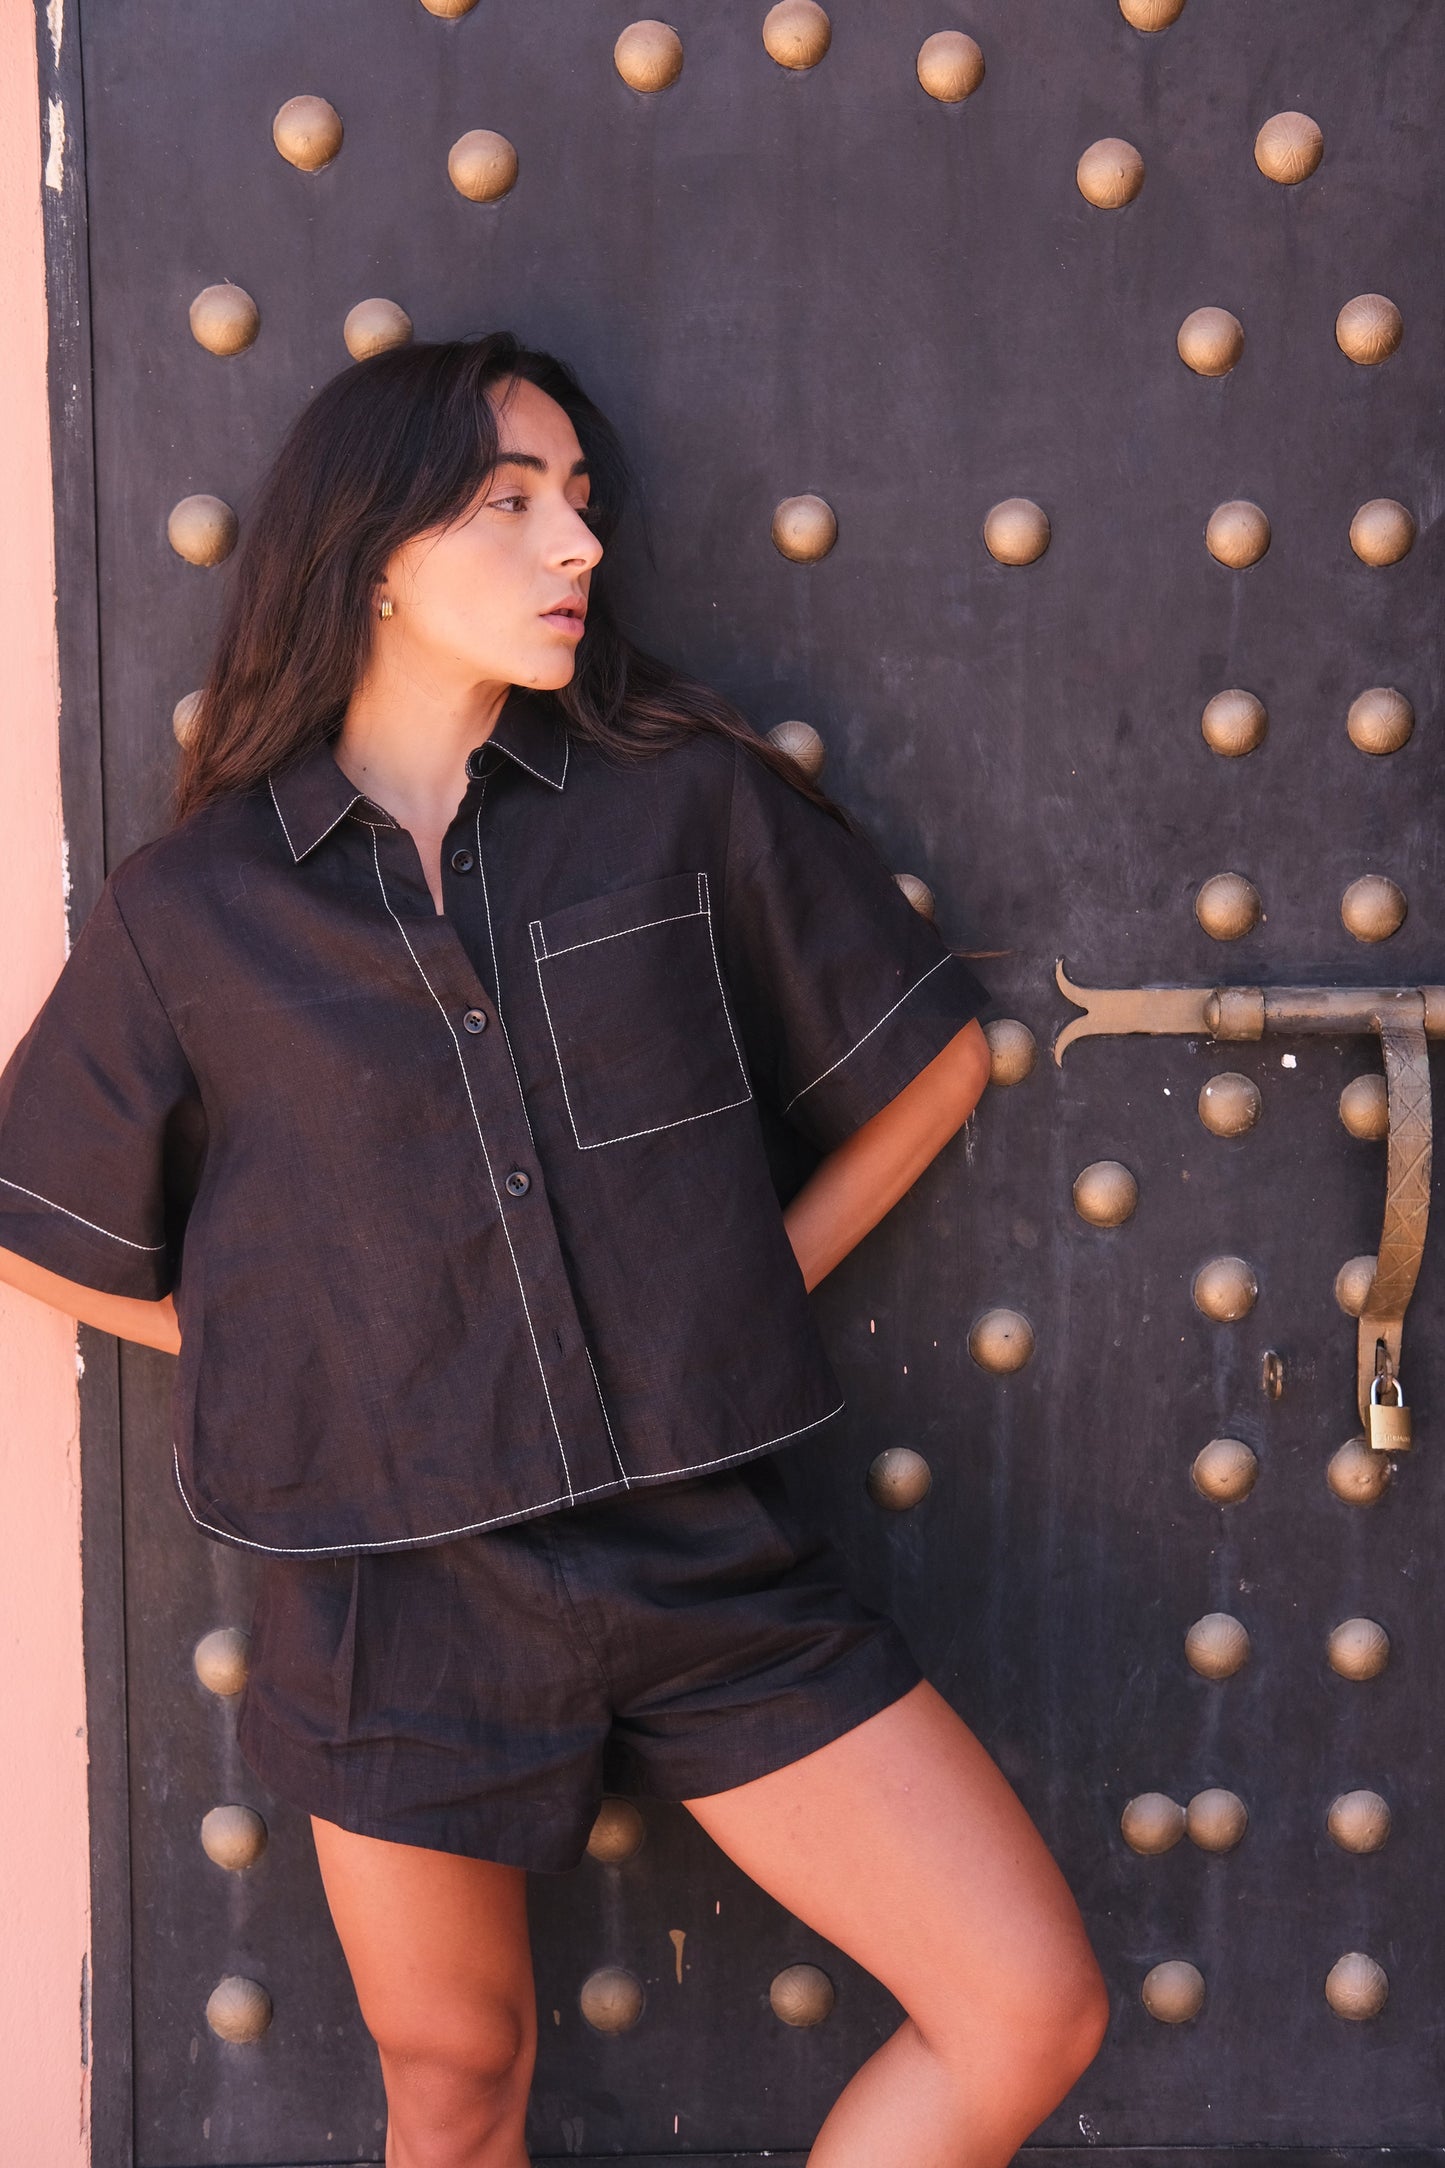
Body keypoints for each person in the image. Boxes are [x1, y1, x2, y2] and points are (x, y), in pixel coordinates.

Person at [0, 331, 1107, 2167]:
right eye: (510, 503)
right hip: (392, 1590)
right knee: (453, 2090)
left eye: (579, 502)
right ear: (371, 555)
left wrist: (736, 1287)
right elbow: (44, 1226)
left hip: (700, 1552)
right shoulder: (195, 910)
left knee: (1025, 2003)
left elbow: (930, 1065)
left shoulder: (678, 805)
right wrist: (320, 1360)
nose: (574, 545)